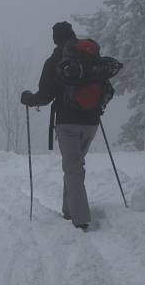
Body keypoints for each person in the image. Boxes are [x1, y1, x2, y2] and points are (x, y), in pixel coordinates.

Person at [21, 21, 100, 231]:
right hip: (92, 120)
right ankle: (69, 210)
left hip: (67, 123)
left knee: (73, 168)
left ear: (55, 39)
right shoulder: (89, 56)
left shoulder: (54, 61)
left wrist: (29, 99)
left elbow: (44, 97)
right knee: (75, 165)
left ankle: (80, 219)